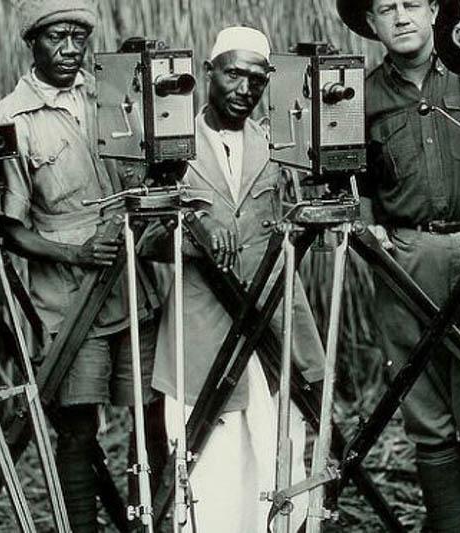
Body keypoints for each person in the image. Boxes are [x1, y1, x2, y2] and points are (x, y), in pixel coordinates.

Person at [337, 1, 460, 531]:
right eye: (386, 8)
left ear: (434, 11)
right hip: (406, 257)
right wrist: (370, 228)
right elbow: (353, 180)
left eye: (411, 4)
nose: (400, 18)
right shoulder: (359, 96)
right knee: (426, 415)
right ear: (371, 24)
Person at [0, 1, 167, 530]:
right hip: (69, 301)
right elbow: (10, 230)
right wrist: (74, 254)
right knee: (75, 428)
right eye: (55, 38)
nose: (70, 49)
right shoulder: (12, 119)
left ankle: (149, 522)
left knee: (150, 415)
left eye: (77, 36)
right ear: (32, 43)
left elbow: (154, 161)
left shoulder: (107, 92)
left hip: (132, 287)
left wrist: (145, 82)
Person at [151, 26, 326, 533]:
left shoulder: (276, 141)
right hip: (203, 332)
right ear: (209, 72)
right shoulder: (167, 143)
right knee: (211, 471)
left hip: (272, 323)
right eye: (233, 73)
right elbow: (139, 241)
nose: (244, 87)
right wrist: (194, 235)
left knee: (279, 453)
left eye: (256, 77)